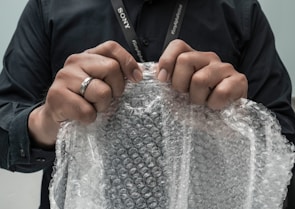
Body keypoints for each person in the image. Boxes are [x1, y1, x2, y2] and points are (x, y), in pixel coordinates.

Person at [0, 0, 294, 208]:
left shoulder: (239, 11)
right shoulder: (49, 6)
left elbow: (285, 146)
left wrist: (237, 125)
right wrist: (47, 120)